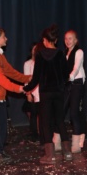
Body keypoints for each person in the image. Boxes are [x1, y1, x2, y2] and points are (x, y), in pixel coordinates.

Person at [0, 27, 30, 161]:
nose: (6, 39)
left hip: (0, 95)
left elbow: (10, 72)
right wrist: (17, 88)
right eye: (4, 37)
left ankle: (0, 150)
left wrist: (27, 78)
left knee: (2, 125)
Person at [24, 25, 70, 163]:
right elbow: (66, 75)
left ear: (45, 40)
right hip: (58, 92)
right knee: (60, 120)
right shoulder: (60, 53)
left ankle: (50, 155)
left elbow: (36, 78)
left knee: (45, 122)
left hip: (45, 93)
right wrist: (62, 84)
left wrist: (27, 88)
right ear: (55, 40)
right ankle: (67, 152)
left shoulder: (40, 55)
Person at [63, 30, 87, 153]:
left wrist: (69, 77)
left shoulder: (79, 52)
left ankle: (77, 143)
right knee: (62, 110)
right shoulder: (65, 53)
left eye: (70, 38)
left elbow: (76, 68)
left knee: (74, 113)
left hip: (77, 82)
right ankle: (58, 140)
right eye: (66, 38)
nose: (68, 41)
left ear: (76, 40)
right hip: (69, 84)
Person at [23, 43, 41, 143]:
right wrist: (28, 93)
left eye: (37, 49)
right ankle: (34, 134)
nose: (35, 50)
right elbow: (26, 80)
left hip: (42, 91)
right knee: (33, 114)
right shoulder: (28, 63)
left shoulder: (42, 62)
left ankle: (43, 133)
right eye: (34, 49)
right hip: (33, 91)